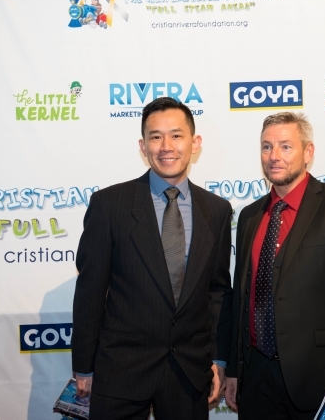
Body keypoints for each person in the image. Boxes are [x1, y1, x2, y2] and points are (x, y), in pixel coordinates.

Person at [72, 97, 233, 420]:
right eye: (156, 137)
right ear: (143, 146)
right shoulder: (110, 205)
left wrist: (218, 360)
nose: (166, 146)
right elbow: (90, 292)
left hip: (189, 373)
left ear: (195, 143)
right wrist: (84, 367)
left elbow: (217, 292)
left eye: (176, 135)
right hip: (121, 370)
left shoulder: (216, 210)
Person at [224, 112, 325, 420]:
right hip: (255, 379)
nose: (274, 156)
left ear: (308, 152)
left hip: (319, 378)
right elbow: (241, 300)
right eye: (266, 146)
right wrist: (234, 369)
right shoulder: (249, 216)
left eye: (285, 146)